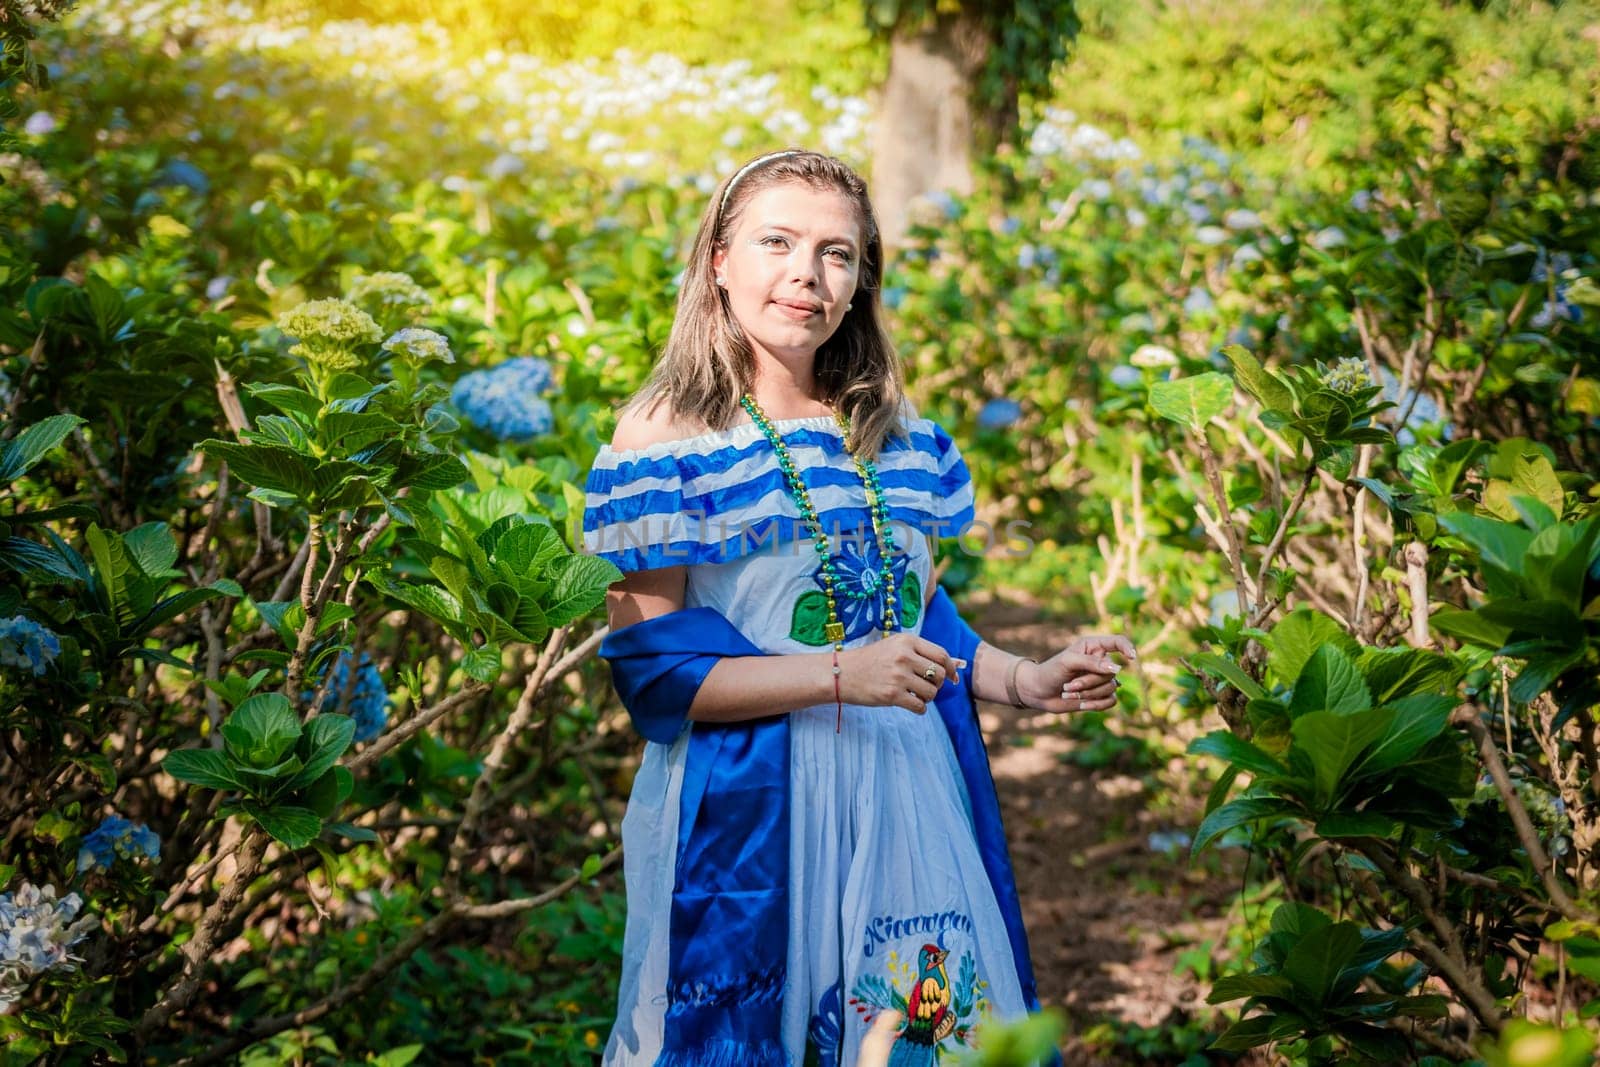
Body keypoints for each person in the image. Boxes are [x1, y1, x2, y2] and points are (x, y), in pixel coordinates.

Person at [583, 149, 1133, 1067]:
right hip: (754, 803)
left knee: (921, 1031)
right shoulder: (666, 436)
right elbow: (653, 675)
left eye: (838, 253)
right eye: (777, 242)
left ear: (859, 281)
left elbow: (912, 613)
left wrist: (1022, 680)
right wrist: (841, 674)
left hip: (905, 784)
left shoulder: (884, 425)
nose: (807, 273)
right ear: (718, 258)